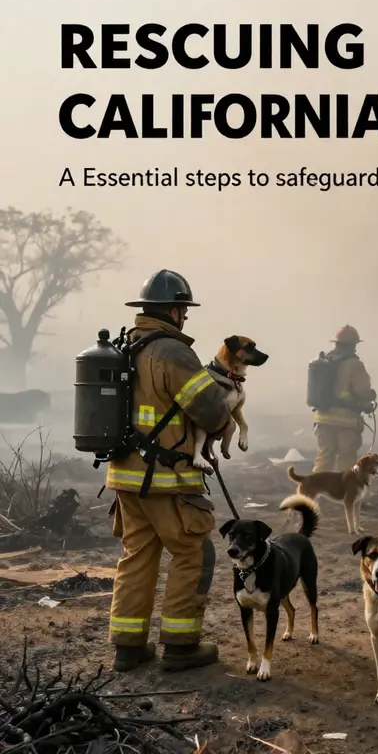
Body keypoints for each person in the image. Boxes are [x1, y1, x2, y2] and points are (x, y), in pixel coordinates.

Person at [107, 269, 233, 673]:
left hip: (125, 477)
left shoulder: (128, 345)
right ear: (175, 311)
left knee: (137, 557)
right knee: (191, 553)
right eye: (184, 311)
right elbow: (212, 411)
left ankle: (128, 647)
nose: (185, 319)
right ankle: (180, 646)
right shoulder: (174, 353)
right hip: (167, 481)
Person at [311, 325, 377, 473]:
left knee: (324, 457)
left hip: (322, 419)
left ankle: (317, 492)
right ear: (354, 344)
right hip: (346, 422)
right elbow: (363, 392)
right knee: (346, 459)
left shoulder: (323, 362)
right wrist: (369, 402)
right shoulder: (355, 365)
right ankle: (342, 492)